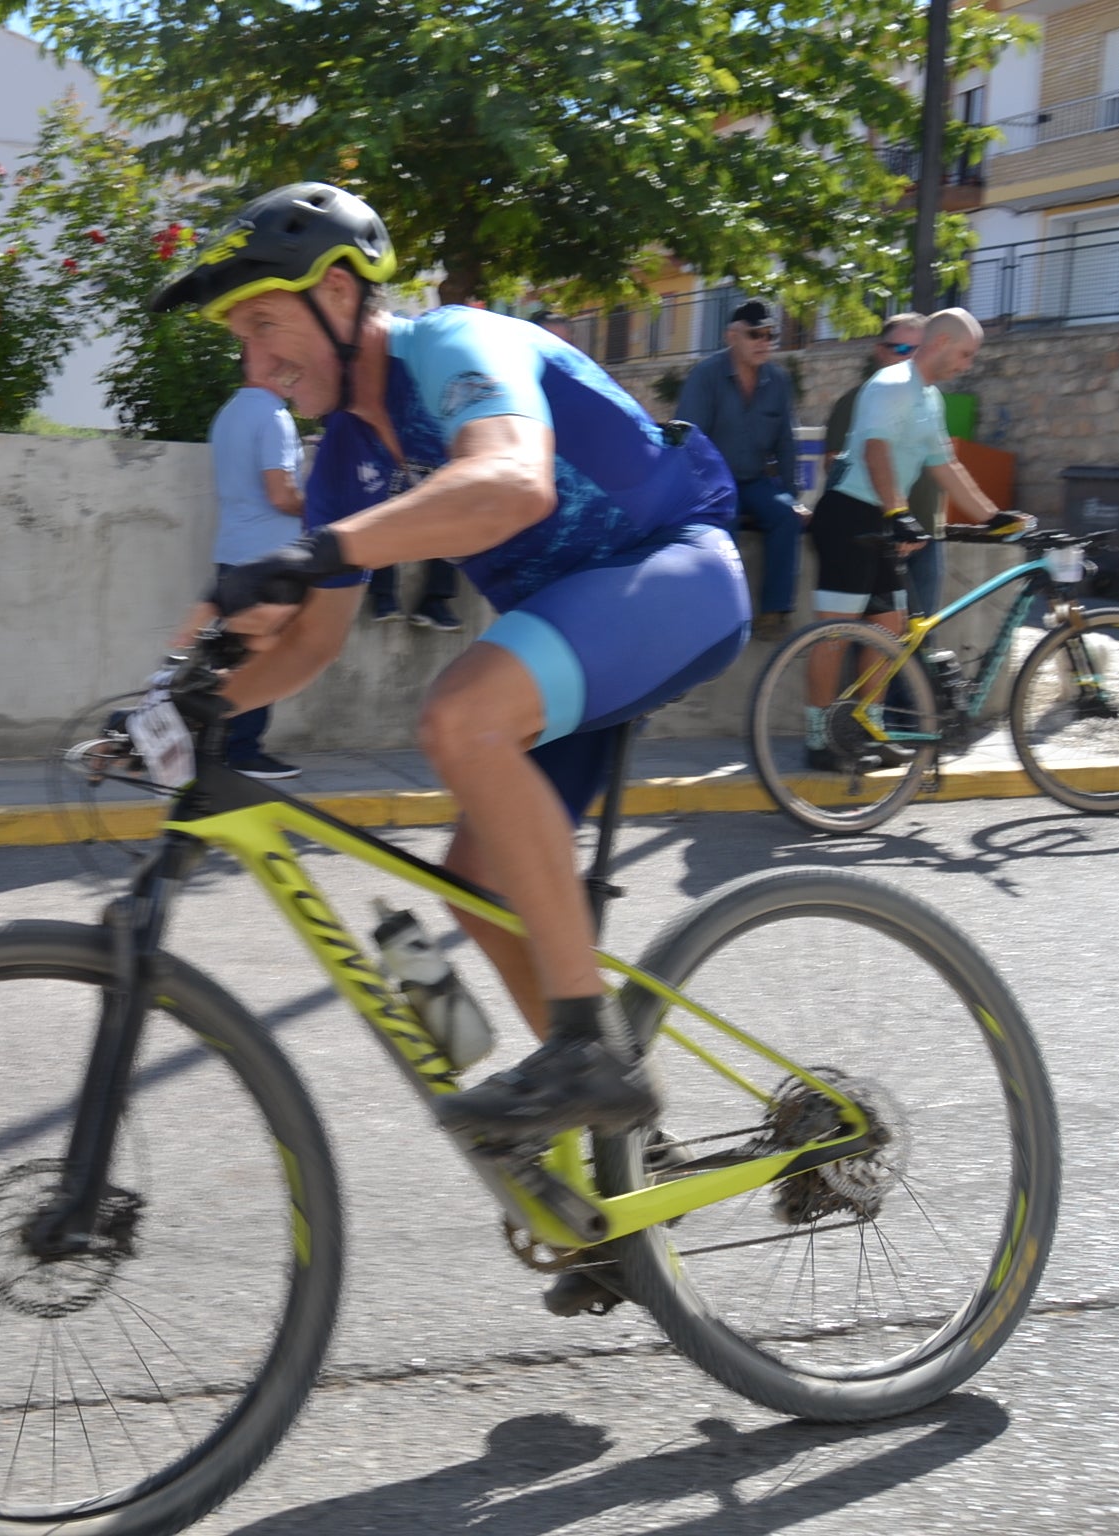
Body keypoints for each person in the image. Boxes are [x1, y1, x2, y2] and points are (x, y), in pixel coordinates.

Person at [152, 184, 749, 1252]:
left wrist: (315, 551)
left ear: (339, 293)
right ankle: (614, 1156)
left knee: (459, 716)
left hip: (676, 574)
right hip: (572, 633)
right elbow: (311, 645)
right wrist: (182, 704)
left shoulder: (453, 343)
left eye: (264, 325)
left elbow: (511, 481)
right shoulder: (347, 460)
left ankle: (588, 1049)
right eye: (240, 339)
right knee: (470, 886)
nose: (255, 365)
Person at [804, 308, 1030, 770]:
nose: (967, 364)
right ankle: (817, 739)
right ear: (942, 342)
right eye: (966, 354)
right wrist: (898, 512)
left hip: (882, 517)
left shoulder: (931, 400)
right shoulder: (892, 384)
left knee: (888, 630)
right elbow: (875, 449)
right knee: (835, 636)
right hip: (848, 515)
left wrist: (993, 516)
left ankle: (870, 728)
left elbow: (946, 466)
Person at [673, 298, 803, 642]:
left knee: (786, 517)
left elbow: (786, 443)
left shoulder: (778, 380)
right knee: (722, 527)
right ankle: (723, 617)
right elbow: (688, 440)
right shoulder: (706, 375)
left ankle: (775, 612)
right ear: (732, 336)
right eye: (755, 334)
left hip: (755, 479)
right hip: (714, 483)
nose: (764, 342)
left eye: (770, 334)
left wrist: (792, 494)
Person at [208, 349, 307, 778]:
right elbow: (282, 495)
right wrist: (324, 510)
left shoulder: (229, 412)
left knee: (233, 658)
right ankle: (243, 753)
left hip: (233, 552)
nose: (295, 374)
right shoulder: (274, 417)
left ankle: (216, 749)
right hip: (269, 559)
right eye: (290, 366)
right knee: (263, 658)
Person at [822, 313, 947, 616]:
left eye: (919, 349)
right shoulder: (858, 398)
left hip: (926, 534)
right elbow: (835, 463)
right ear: (880, 351)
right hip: (883, 530)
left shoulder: (931, 397)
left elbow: (944, 463)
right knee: (859, 636)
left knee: (919, 639)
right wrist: (890, 514)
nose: (911, 357)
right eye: (901, 349)